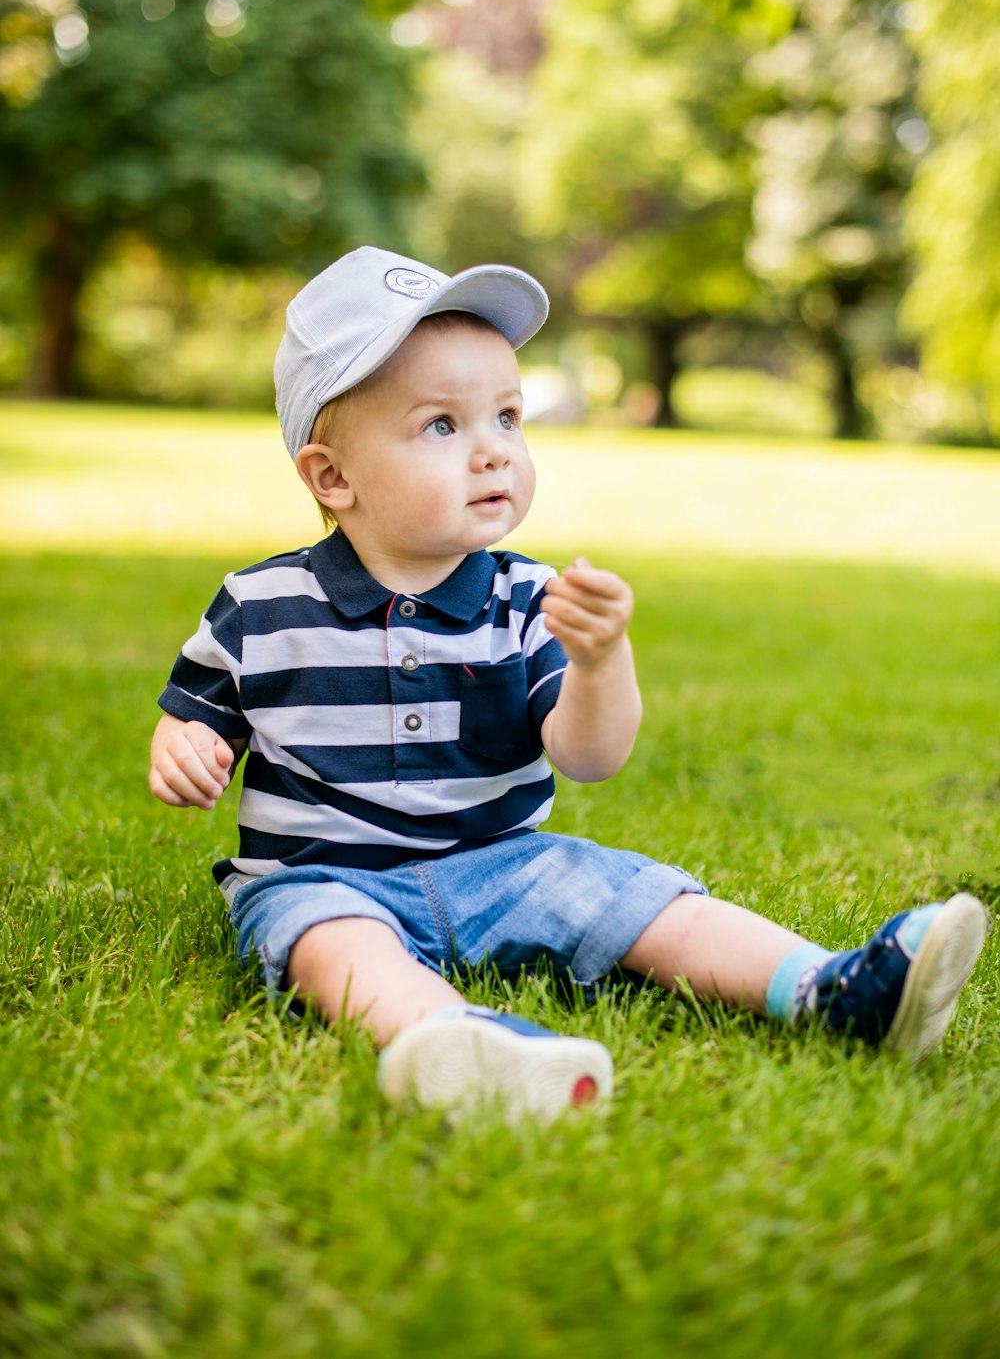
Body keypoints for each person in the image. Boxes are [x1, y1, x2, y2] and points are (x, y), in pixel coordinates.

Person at [149, 245, 988, 1122]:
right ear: (333, 476)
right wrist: (186, 748)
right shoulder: (262, 604)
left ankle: (829, 987)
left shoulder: (525, 598)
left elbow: (589, 756)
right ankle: (459, 1042)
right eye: (444, 426)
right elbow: (194, 715)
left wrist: (597, 662)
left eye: (508, 418)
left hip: (504, 865)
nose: (493, 454)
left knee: (644, 899)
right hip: (323, 876)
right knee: (334, 948)